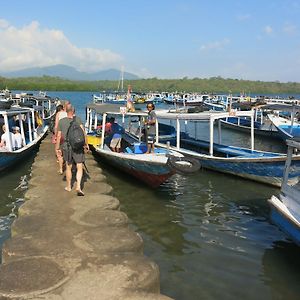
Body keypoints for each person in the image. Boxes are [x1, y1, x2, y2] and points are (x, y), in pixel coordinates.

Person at [55, 105, 89, 196]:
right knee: (79, 166)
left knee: (68, 166)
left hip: (67, 146)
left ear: (66, 111)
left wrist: (58, 148)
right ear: (74, 111)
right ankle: (78, 187)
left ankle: (69, 186)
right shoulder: (78, 119)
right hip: (78, 146)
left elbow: (58, 136)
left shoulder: (62, 122)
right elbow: (83, 133)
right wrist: (86, 144)